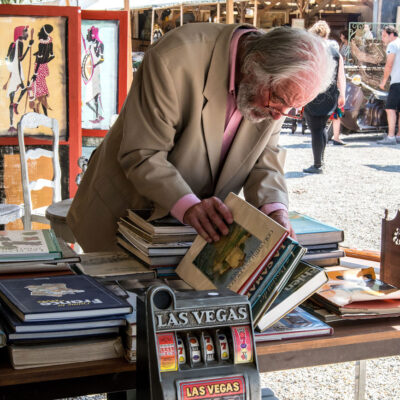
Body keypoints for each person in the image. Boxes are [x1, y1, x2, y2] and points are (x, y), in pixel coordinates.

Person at [67, 23, 335, 252]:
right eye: (278, 101)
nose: (279, 116)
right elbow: (143, 154)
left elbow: (265, 160)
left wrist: (275, 211)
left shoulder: (275, 89)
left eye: (291, 110)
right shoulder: (175, 58)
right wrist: (189, 206)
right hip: (122, 216)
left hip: (188, 234)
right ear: (254, 65)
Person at [303, 21, 346, 174]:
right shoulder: (336, 52)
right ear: (327, 34)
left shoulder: (310, 51)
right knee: (321, 128)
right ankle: (320, 161)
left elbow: (304, 75)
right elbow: (341, 76)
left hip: (313, 94)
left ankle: (317, 165)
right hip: (331, 95)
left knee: (316, 129)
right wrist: (342, 94)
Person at [3, 26, 34, 133]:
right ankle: (16, 105)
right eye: (25, 32)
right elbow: (20, 58)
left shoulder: (13, 44)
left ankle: (11, 124)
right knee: (24, 88)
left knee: (16, 94)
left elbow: (8, 59)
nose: (27, 34)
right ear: (20, 33)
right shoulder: (19, 44)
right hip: (17, 72)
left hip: (15, 71)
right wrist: (29, 46)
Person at [377, 25, 400, 145]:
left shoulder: (392, 45)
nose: (382, 39)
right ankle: (399, 135)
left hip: (397, 81)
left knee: (390, 108)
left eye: (384, 35)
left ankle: (390, 137)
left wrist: (384, 81)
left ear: (392, 35)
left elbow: (389, 64)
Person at [28, 24, 55, 116]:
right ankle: (45, 115)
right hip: (44, 68)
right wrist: (45, 60)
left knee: (33, 89)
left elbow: (39, 60)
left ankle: (36, 114)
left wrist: (35, 73)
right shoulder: (50, 42)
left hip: (38, 69)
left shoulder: (41, 44)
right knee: (42, 90)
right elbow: (52, 56)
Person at [83, 26, 104, 124]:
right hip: (90, 71)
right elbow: (87, 58)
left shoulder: (100, 44)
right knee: (90, 97)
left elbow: (102, 59)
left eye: (89, 34)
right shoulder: (91, 46)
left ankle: (98, 116)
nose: (88, 36)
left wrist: (94, 65)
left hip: (96, 71)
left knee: (96, 94)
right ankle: (98, 115)